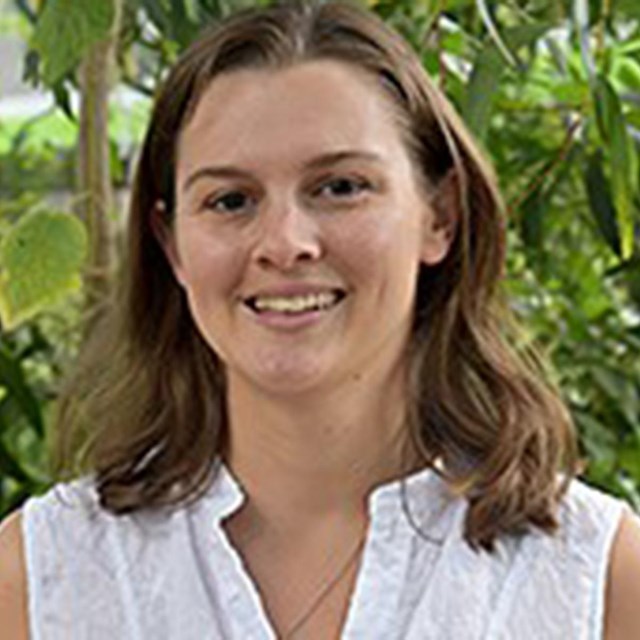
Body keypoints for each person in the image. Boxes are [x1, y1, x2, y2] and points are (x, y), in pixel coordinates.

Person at [1, 1, 639, 638]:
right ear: (172, 246)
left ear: (439, 216)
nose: (284, 243)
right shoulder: (38, 582)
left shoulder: (599, 582)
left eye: (340, 187)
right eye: (230, 200)